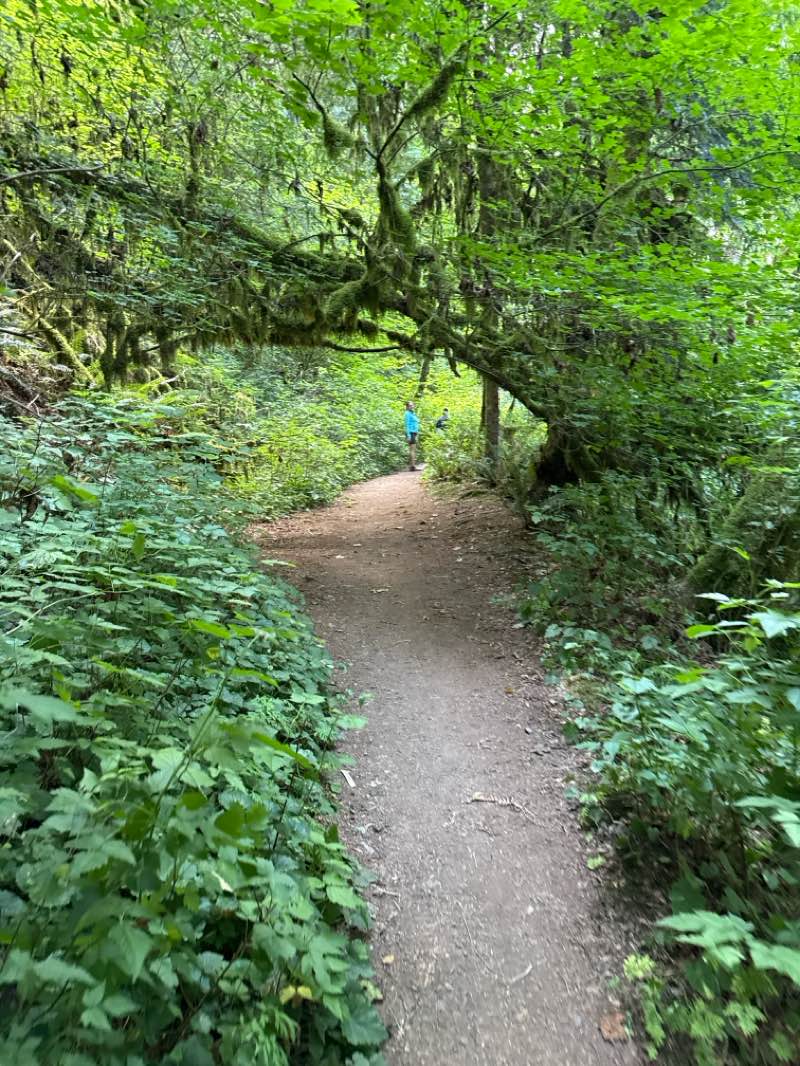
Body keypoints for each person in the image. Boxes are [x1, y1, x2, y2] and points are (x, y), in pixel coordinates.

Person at [404, 401, 420, 471]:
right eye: (410, 405)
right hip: (411, 433)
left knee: (413, 450)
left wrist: (417, 433)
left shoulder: (413, 413)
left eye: (412, 405)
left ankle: (412, 466)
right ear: (407, 407)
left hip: (414, 433)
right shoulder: (407, 414)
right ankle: (412, 466)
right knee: (412, 450)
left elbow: (416, 423)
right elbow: (406, 425)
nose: (412, 406)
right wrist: (408, 435)